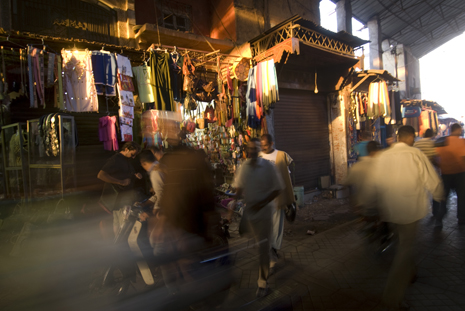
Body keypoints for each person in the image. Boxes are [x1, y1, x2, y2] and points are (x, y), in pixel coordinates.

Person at [368, 125, 443, 309]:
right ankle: (392, 298)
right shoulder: (415, 155)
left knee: (403, 243)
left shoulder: (384, 155)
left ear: (398, 136)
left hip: (391, 210)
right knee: (404, 250)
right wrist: (439, 196)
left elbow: (375, 182)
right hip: (410, 210)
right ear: (411, 137)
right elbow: (432, 180)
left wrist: (372, 206)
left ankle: (411, 272)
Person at [233, 138, 284, 298]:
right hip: (250, 213)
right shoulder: (244, 167)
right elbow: (239, 187)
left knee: (262, 247)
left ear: (259, 150)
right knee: (259, 244)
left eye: (255, 149)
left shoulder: (268, 167)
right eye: (250, 149)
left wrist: (262, 202)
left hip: (264, 213)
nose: (253, 151)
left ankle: (263, 282)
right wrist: (233, 205)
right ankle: (271, 254)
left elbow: (278, 189)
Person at [259, 134, 295, 272]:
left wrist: (290, 198)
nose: (263, 148)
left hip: (277, 198)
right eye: (262, 146)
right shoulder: (259, 157)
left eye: (266, 145)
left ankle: (273, 251)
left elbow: (287, 176)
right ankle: (270, 251)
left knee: (276, 227)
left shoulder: (281, 155)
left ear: (272, 143)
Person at [97, 141, 142, 234]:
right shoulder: (115, 159)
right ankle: (120, 243)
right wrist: (120, 182)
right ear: (126, 149)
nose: (133, 157)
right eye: (132, 154)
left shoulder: (126, 159)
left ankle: (119, 243)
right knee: (121, 222)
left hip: (123, 197)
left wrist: (135, 175)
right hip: (118, 197)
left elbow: (124, 173)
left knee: (119, 221)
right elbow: (101, 175)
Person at [436, 123, 465, 226]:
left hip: (445, 173)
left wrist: (440, 166)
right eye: (460, 130)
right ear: (457, 130)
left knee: (444, 197)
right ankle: (461, 218)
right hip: (460, 173)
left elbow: (435, 156)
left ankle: (439, 217)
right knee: (461, 197)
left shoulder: (442, 141)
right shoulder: (462, 141)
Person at [343, 140, 380, 216]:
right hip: (379, 206)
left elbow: (346, 183)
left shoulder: (356, 166)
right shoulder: (381, 165)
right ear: (377, 151)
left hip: (363, 205)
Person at [414, 129, 441, 220]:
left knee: (419, 190)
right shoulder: (433, 143)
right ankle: (435, 211)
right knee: (434, 189)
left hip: (419, 170)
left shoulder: (417, 143)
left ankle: (417, 209)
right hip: (431, 170)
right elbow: (435, 157)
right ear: (432, 135)